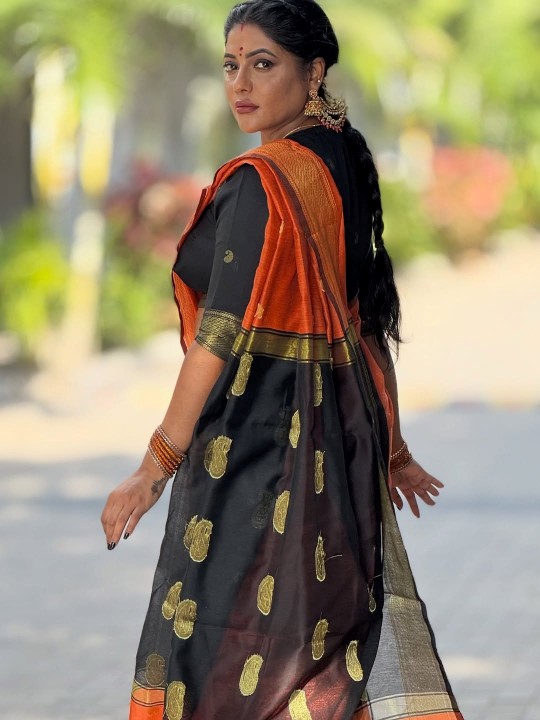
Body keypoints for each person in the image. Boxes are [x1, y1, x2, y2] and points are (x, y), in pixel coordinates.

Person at [101, 1, 464, 718]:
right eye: (231, 66)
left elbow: (218, 336)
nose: (241, 84)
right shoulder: (337, 161)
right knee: (310, 658)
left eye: (263, 64)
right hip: (339, 453)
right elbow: (365, 326)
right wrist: (390, 450)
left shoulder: (261, 179)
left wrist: (155, 465)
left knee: (225, 656)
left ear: (314, 71)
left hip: (254, 459)